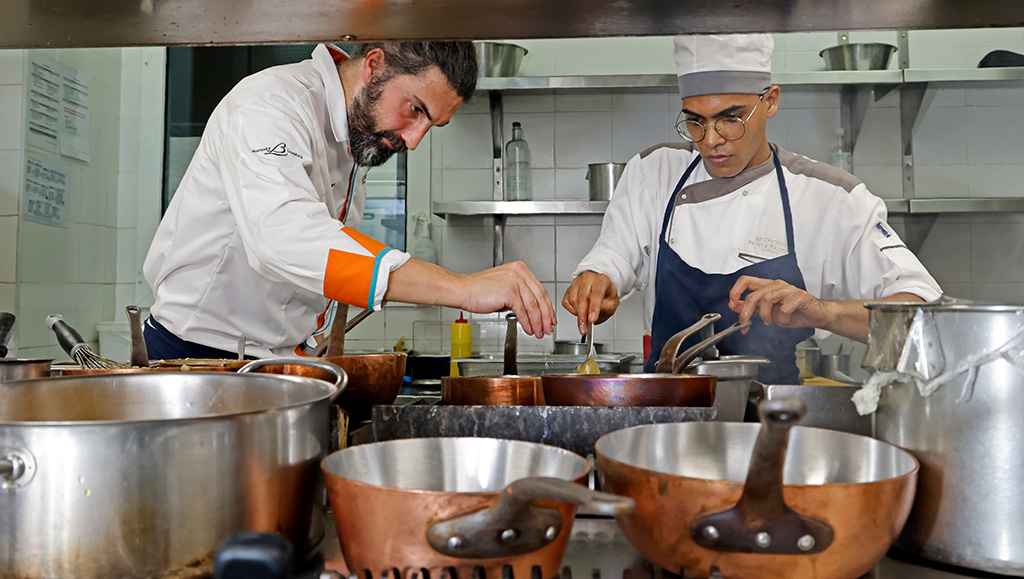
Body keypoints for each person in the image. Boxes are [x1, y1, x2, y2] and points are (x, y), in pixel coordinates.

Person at [562, 34, 941, 384]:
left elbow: (924, 317)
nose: (710, 141)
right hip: (667, 422)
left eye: (731, 118)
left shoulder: (830, 197)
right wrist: (599, 278)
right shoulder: (654, 173)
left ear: (771, 100)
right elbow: (615, 256)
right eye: (695, 121)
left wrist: (824, 311)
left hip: (775, 425)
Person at [144, 41, 555, 360]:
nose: (413, 140)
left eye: (432, 125)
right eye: (415, 109)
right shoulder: (271, 105)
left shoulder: (352, 137)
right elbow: (282, 240)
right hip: (193, 357)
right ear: (374, 65)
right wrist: (461, 288)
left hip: (277, 361)